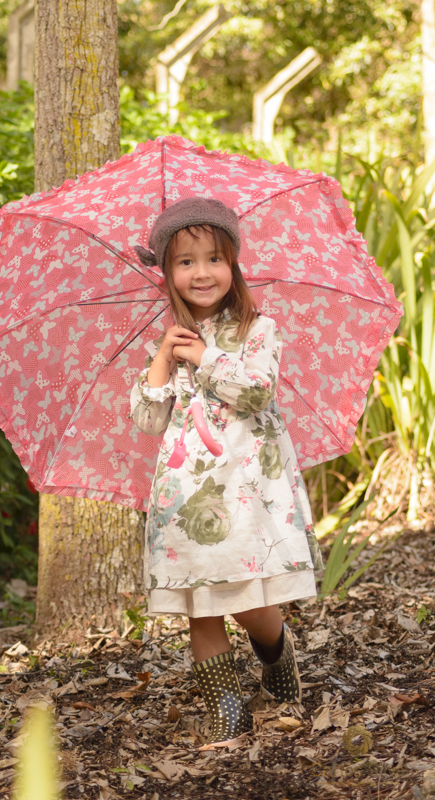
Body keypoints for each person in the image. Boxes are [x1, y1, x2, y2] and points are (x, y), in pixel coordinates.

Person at [130, 197, 323, 749]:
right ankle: (228, 709)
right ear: (167, 273)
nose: (201, 272)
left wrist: (206, 358)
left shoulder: (259, 329)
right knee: (199, 604)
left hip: (246, 488)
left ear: (233, 264)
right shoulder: (165, 339)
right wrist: (165, 357)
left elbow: (257, 392)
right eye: (185, 262)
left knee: (249, 601)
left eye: (213, 258)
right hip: (185, 494)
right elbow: (147, 421)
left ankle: (276, 648)